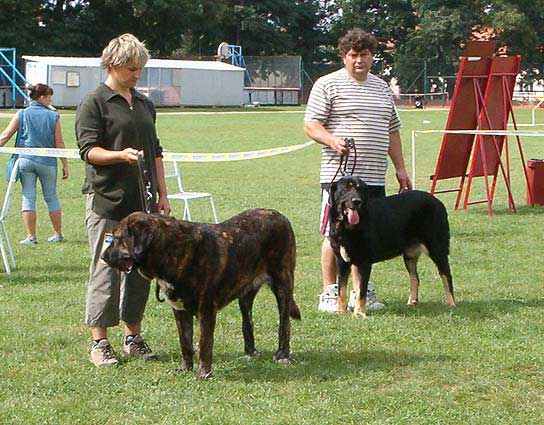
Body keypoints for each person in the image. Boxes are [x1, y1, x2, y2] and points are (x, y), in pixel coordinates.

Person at [76, 33, 171, 367]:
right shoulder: (94, 103)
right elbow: (88, 151)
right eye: (131, 69)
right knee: (106, 269)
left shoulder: (144, 103)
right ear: (112, 65)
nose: (136, 75)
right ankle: (100, 342)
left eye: (140, 69)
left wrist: (162, 193)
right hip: (107, 202)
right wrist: (120, 156)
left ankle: (134, 337)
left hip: (142, 206)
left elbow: (155, 152)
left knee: (139, 271)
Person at [304, 28, 412, 313]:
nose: (359, 60)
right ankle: (330, 292)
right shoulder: (327, 85)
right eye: (353, 55)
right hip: (339, 179)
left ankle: (360, 292)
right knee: (335, 234)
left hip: (374, 178)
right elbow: (311, 124)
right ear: (344, 56)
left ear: (372, 57)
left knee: (366, 234)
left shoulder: (381, 88)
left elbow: (392, 131)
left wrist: (400, 168)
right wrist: (331, 139)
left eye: (364, 55)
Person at [0, 83, 69, 245]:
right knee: (51, 197)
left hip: (25, 160)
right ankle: (57, 234)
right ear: (42, 97)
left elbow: (5, 135)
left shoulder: (22, 113)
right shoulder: (53, 116)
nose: (50, 101)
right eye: (49, 97)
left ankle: (31, 236)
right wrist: (65, 163)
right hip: (47, 162)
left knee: (28, 196)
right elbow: (59, 142)